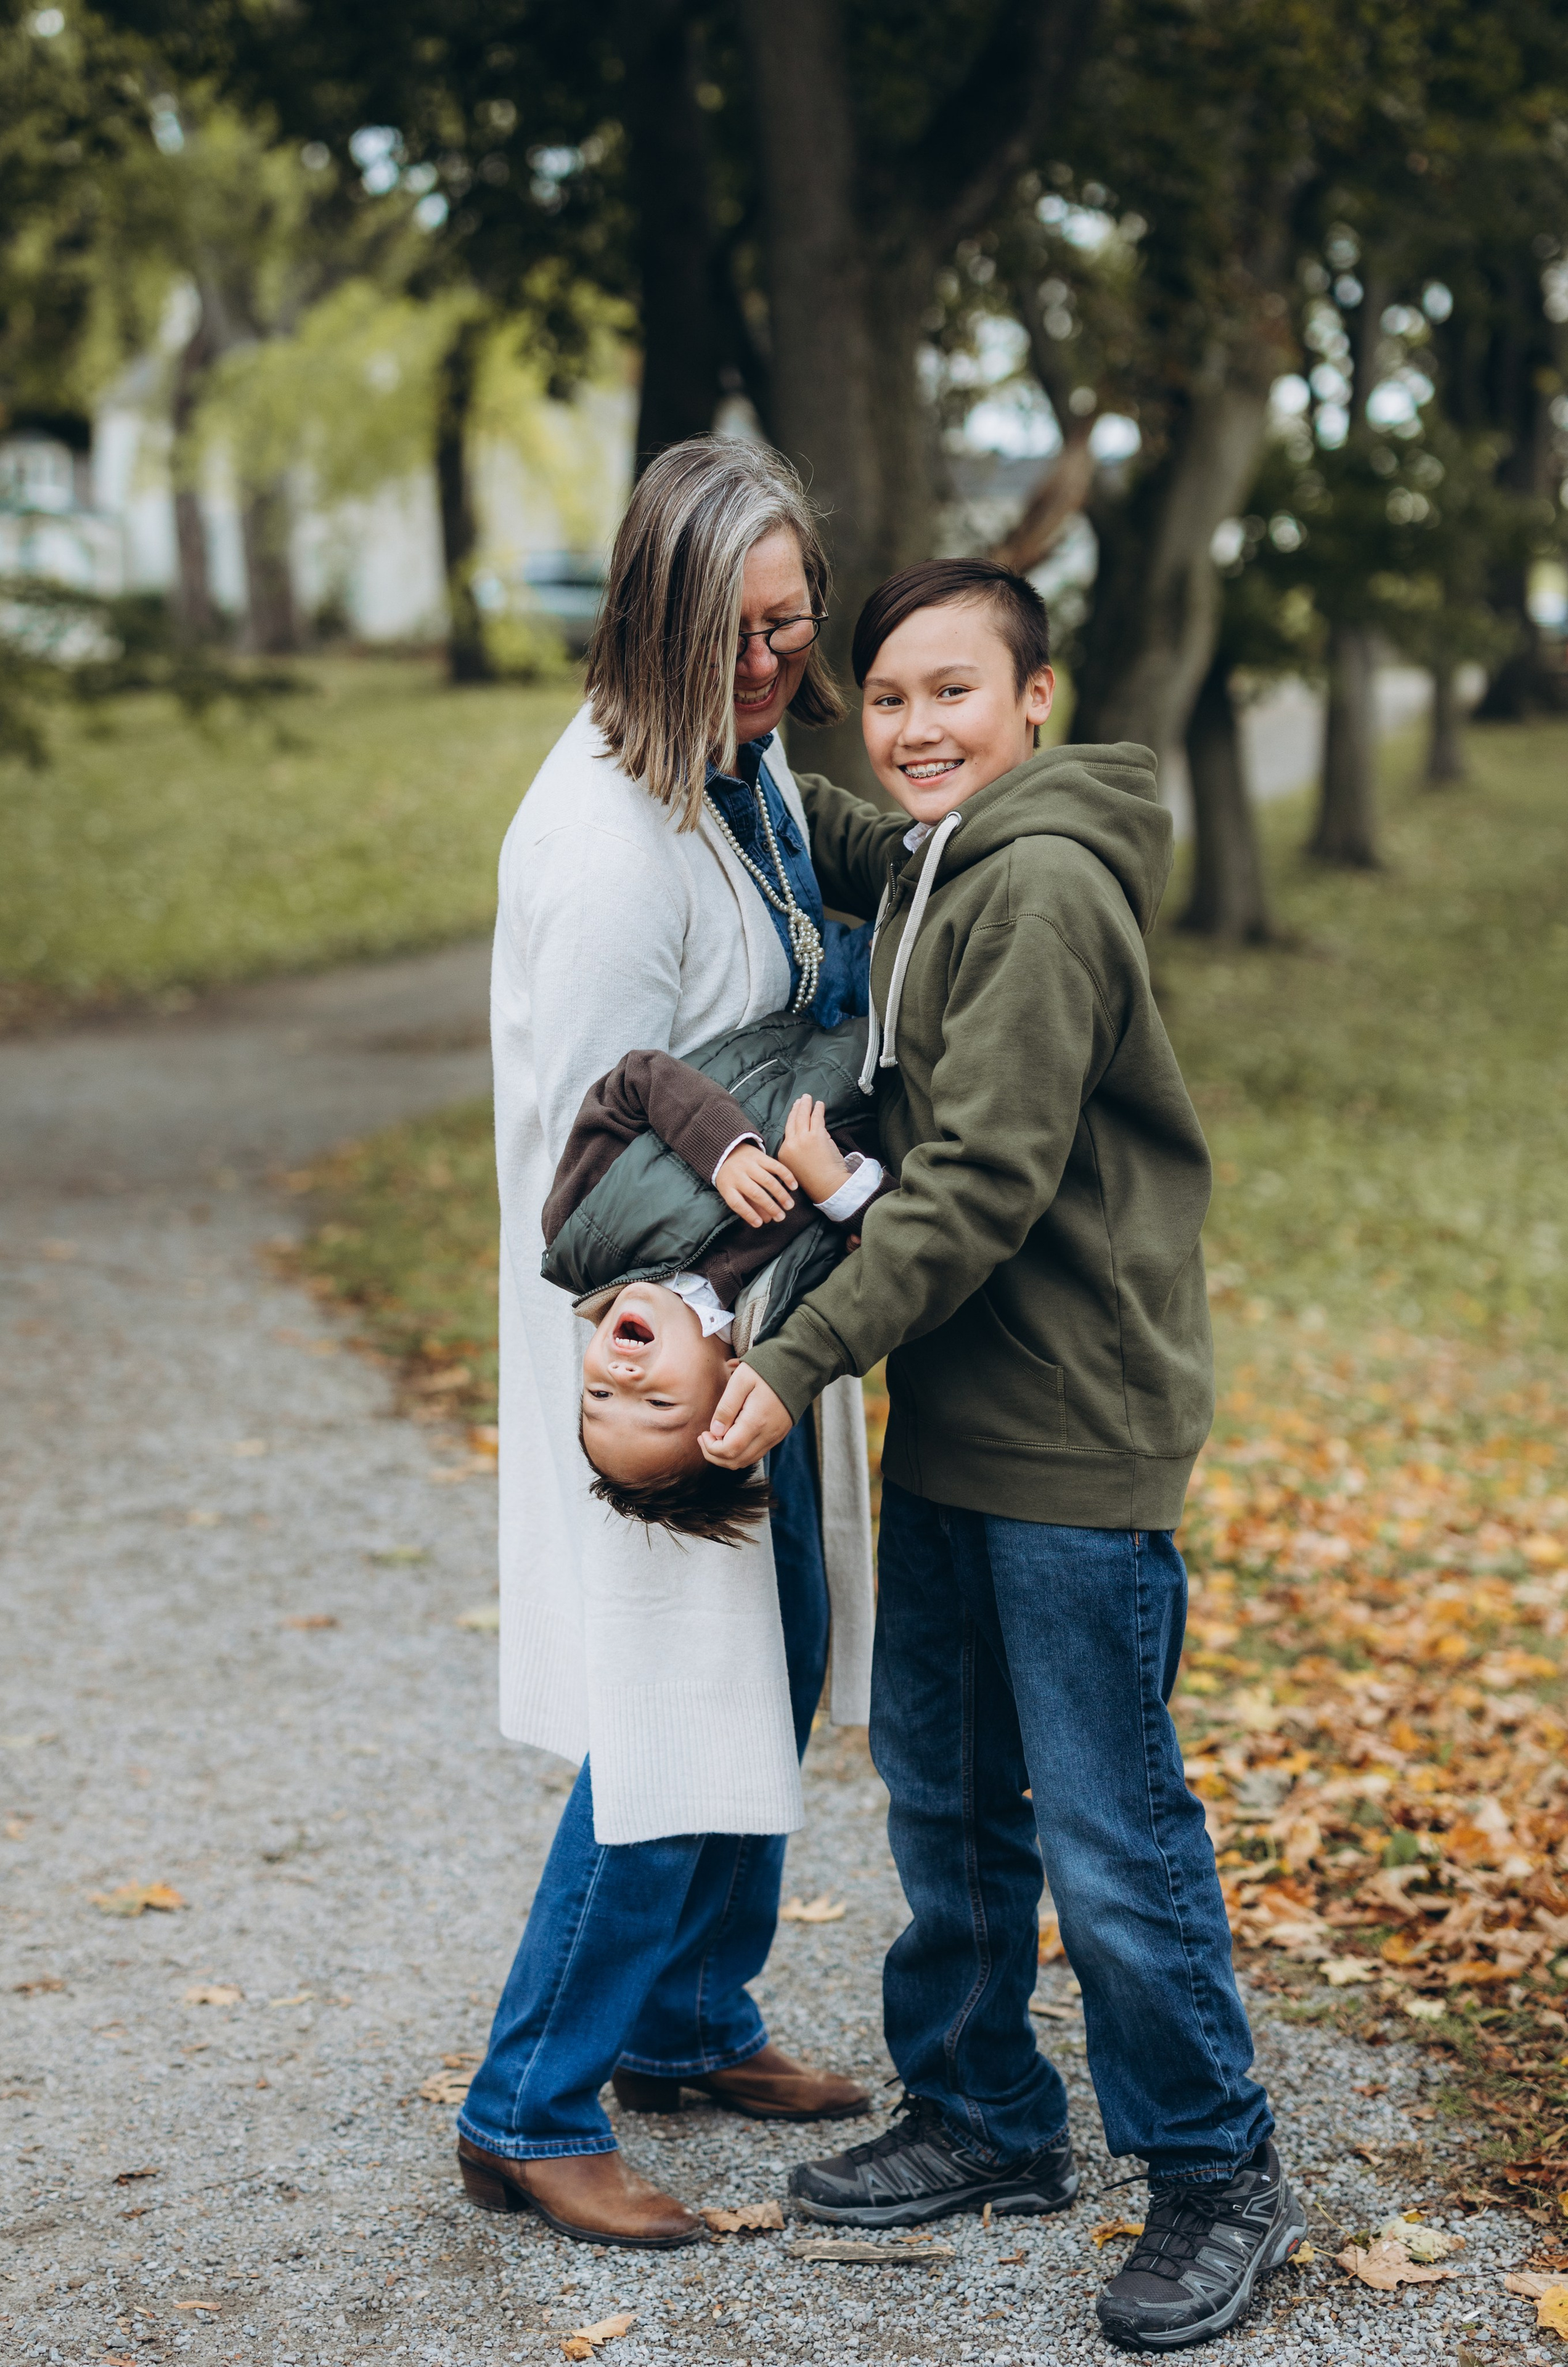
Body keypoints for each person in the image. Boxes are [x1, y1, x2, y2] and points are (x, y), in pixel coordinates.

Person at [701, 558, 1303, 2350]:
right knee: (948, 1792)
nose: (913, 728)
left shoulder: (1038, 885)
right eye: (887, 696)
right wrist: (720, 712)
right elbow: (838, 829)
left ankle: (1217, 2167)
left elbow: (976, 1183)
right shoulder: (943, 855)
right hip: (963, 1413)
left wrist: (793, 1356)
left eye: (951, 691)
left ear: (1035, 698)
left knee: (1106, 1825)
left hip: (1072, 1426)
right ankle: (983, 2110)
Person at [455, 442, 876, 2250]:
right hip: (655, 1343)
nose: (775, 662)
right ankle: (528, 2099)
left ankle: (690, 2013)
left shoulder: (736, 760)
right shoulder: (607, 847)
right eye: (740, 629)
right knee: (669, 1701)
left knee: (777, 1655)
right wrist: (690, 1358)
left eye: (794, 622)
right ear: (657, 617)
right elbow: (597, 1171)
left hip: (754, 1325)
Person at [541, 1023, 892, 1533]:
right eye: (658, 1403)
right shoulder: (789, 1318)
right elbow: (901, 1251)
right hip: (895, 1065)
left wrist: (726, 1151)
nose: (621, 1377)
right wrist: (836, 1186)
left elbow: (635, 1080)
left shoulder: (577, 1232)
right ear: (732, 1382)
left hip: (808, 1021)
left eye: (599, 1396)